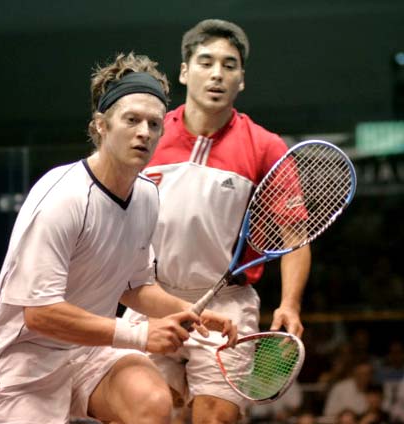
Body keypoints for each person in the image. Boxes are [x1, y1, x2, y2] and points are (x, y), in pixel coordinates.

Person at [0, 52, 237, 424]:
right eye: (132, 120)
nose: (144, 132)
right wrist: (139, 334)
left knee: (151, 400)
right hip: (23, 362)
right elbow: (40, 314)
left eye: (154, 124)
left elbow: (134, 286)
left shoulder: (146, 195)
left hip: (88, 352)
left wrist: (194, 313)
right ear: (101, 125)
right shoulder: (63, 198)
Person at [123, 18, 312, 423]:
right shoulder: (149, 134)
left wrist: (290, 304)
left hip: (226, 304)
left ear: (241, 79)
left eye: (229, 65)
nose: (217, 74)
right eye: (206, 62)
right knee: (143, 411)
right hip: (150, 296)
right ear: (184, 71)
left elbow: (294, 235)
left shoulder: (265, 147)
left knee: (215, 417)